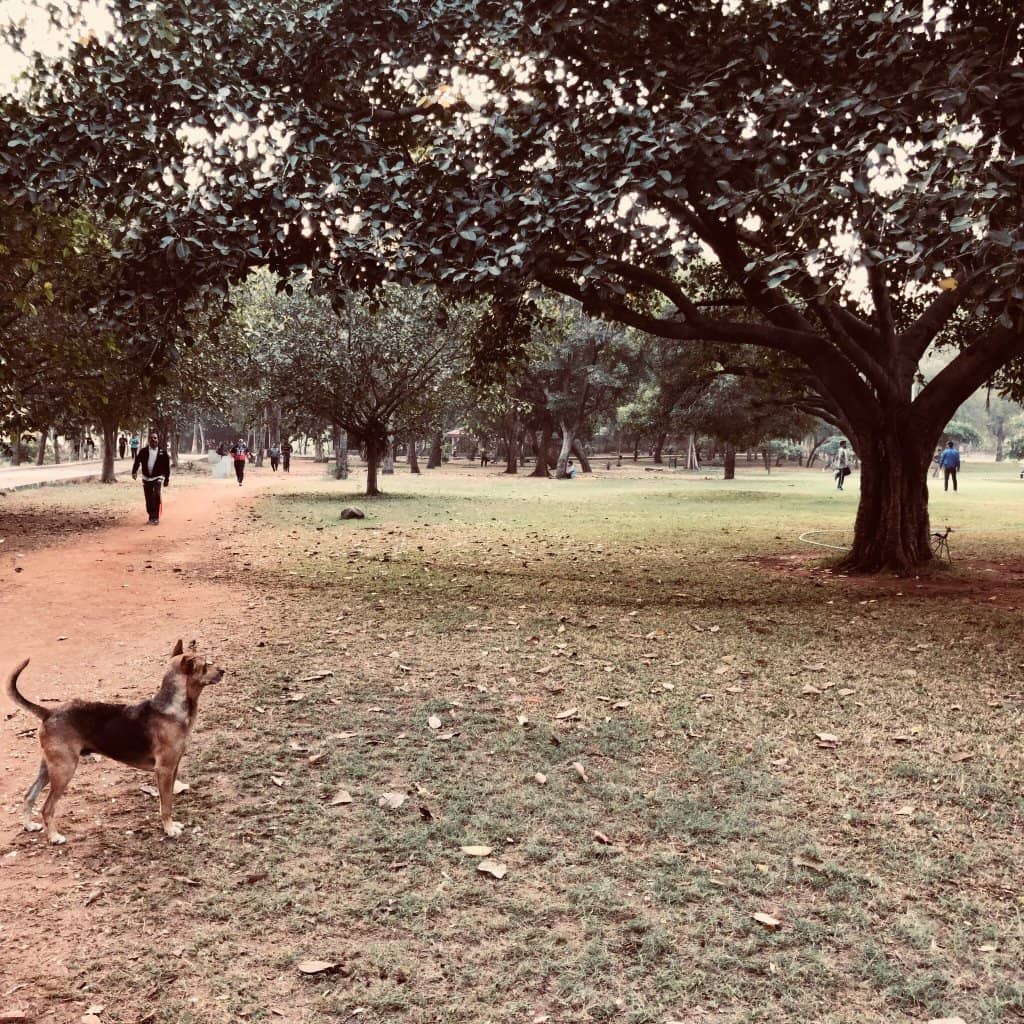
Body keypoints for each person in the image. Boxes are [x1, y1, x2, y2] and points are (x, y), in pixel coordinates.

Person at [131, 429, 170, 525]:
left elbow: (167, 466)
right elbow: (137, 461)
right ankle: (151, 515)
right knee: (148, 498)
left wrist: (167, 479)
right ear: (149, 440)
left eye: (155, 438)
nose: (153, 440)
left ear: (158, 440)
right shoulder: (143, 451)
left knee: (156, 495)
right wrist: (134, 471)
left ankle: (155, 517)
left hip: (158, 477)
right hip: (146, 478)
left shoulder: (163, 453)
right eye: (151, 438)